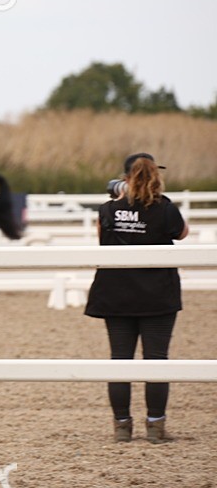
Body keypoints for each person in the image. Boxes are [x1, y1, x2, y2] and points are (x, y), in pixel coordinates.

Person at [85, 153, 189, 444]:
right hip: (157, 294)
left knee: (120, 360)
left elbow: (101, 241)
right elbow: (182, 234)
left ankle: (122, 426)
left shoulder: (107, 209)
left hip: (115, 293)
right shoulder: (165, 208)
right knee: (156, 360)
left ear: (125, 178)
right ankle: (155, 426)